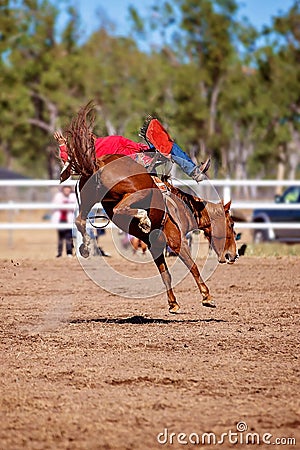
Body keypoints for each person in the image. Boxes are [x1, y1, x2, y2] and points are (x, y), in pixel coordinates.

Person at [53, 115, 210, 182]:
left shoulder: (102, 141)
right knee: (169, 147)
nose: (88, 133)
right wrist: (62, 145)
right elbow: (69, 162)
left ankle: (194, 171)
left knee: (167, 145)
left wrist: (150, 149)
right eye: (84, 134)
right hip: (131, 162)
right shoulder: (88, 152)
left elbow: (133, 146)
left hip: (138, 155)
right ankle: (194, 172)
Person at [51, 186, 76, 257]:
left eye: (68, 188)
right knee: (61, 237)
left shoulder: (73, 197)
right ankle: (59, 253)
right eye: (65, 188)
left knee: (68, 236)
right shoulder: (58, 196)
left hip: (69, 219)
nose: (67, 190)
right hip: (60, 219)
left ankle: (69, 252)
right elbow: (54, 206)